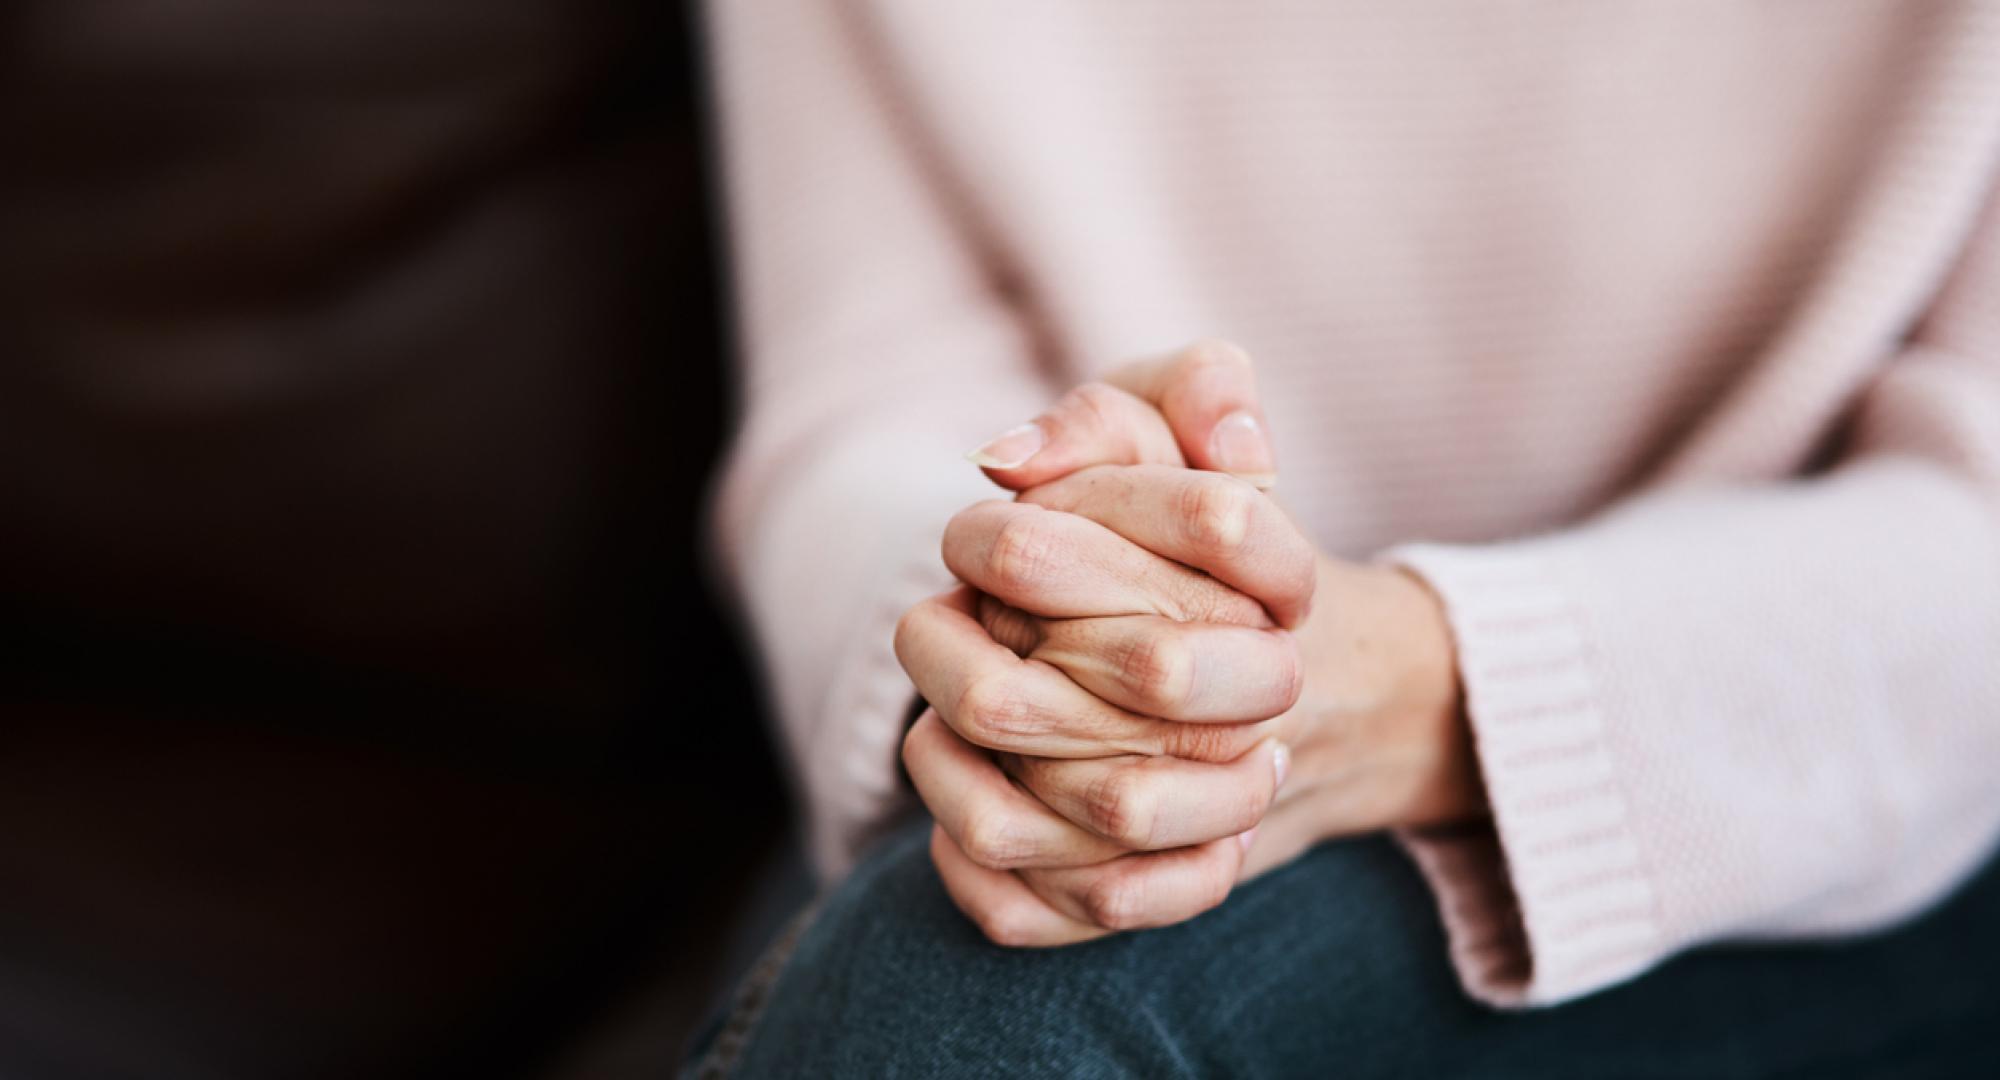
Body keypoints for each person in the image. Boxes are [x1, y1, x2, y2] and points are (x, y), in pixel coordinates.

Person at [695, 2, 2000, 1074]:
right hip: (1058, 719)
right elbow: (862, 391)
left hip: (1818, 754)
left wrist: (1422, 682)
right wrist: (1045, 610)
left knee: (991, 1009)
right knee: (985, 960)